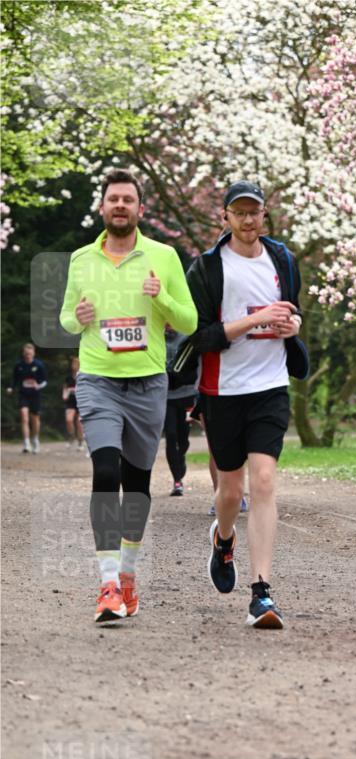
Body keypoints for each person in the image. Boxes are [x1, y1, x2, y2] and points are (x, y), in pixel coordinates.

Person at [59, 167, 197, 623]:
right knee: (105, 469)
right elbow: (66, 319)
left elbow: (190, 320)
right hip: (98, 380)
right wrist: (77, 318)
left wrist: (161, 299)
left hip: (148, 383)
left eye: (128, 200)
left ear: (140, 208)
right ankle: (107, 583)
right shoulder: (81, 259)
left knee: (137, 483)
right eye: (113, 199)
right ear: (102, 207)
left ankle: (129, 574)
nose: (120, 205)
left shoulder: (164, 256)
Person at [186, 180, 302, 629]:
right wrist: (255, 319)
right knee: (231, 491)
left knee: (265, 481)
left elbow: (293, 311)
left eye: (254, 211)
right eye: (240, 212)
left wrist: (291, 325)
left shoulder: (282, 259)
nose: (248, 219)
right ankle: (223, 539)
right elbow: (200, 337)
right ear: (226, 217)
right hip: (223, 391)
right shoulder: (208, 267)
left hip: (270, 387)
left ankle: (262, 593)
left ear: (264, 214)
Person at [164, 326, 196, 496]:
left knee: (183, 440)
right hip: (166, 397)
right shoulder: (156, 336)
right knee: (170, 436)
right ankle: (177, 480)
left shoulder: (187, 336)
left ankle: (180, 458)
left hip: (187, 395)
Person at [7, 343, 47, 453]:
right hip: (23, 394)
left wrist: (38, 386)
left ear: (33, 353)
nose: (27, 355)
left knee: (35, 419)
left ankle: (35, 440)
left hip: (35, 395)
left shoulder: (39, 365)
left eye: (29, 353)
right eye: (26, 353)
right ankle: (26, 443)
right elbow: (14, 379)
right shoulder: (19, 365)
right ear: (23, 354)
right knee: (24, 416)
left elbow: (45, 381)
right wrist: (11, 388)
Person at [62, 355, 85, 449]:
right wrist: (64, 395)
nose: (73, 365)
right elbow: (65, 388)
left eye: (75, 363)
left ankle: (80, 441)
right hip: (70, 402)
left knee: (79, 422)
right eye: (72, 363)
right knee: (69, 420)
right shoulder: (68, 377)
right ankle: (71, 436)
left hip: (80, 401)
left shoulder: (83, 376)